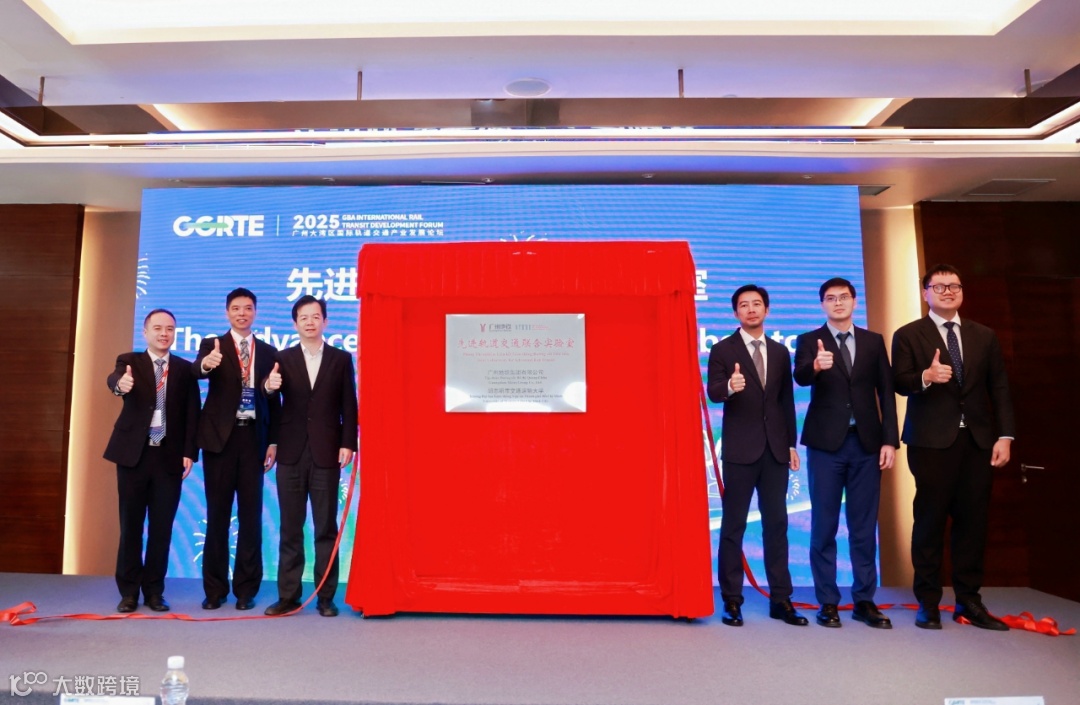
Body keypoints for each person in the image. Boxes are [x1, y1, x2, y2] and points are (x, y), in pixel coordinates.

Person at [892, 264, 1015, 631]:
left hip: (977, 441)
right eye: (939, 286)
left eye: (954, 286)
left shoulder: (984, 335)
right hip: (931, 442)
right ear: (925, 293)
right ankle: (928, 602)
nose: (947, 291)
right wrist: (926, 377)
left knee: (973, 522)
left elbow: (999, 387)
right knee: (929, 521)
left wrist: (1005, 436)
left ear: (962, 292)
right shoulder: (908, 334)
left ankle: (969, 601)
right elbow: (899, 381)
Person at [794, 278, 899, 629]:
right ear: (822, 304)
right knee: (823, 525)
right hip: (826, 446)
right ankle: (828, 602)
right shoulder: (809, 340)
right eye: (830, 298)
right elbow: (800, 377)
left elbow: (885, 392)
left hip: (866, 444)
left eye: (843, 297)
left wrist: (889, 441)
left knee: (863, 526)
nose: (837, 303)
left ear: (854, 301)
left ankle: (865, 600)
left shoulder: (873, 341)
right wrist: (816, 366)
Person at [707, 284, 807, 627]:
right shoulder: (722, 349)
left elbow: (785, 401)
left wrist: (791, 444)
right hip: (739, 451)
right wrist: (729, 388)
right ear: (735, 312)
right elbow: (714, 391)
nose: (751, 309)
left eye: (757, 304)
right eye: (744, 305)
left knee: (776, 525)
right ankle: (731, 600)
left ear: (767, 309)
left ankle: (781, 599)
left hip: (775, 451)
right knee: (733, 526)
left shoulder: (779, 351)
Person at [262, 296, 358, 618]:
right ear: (295, 323)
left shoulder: (341, 359)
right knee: (290, 527)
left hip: (326, 452)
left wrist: (348, 443)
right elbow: (269, 399)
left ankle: (325, 597)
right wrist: (269, 386)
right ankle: (288, 596)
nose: (310, 322)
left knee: (325, 527)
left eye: (316, 316)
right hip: (290, 452)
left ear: (325, 321)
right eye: (303, 317)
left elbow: (349, 405)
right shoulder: (282, 358)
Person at [104, 309, 199, 613]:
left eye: (169, 329)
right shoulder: (129, 362)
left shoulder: (184, 369)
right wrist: (120, 385)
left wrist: (189, 452)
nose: (163, 334)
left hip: (168, 457)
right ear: (145, 332)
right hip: (134, 455)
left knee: (162, 528)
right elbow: (115, 379)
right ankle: (129, 592)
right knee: (131, 526)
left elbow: (192, 413)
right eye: (157, 328)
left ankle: (155, 592)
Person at [194, 287, 278, 611]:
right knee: (217, 516)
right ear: (227, 312)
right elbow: (196, 371)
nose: (242, 313)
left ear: (255, 312)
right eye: (236, 308)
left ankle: (246, 590)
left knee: (251, 517)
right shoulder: (212, 345)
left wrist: (273, 441)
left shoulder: (268, 352)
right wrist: (206, 364)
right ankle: (214, 590)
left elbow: (275, 400)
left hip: (253, 440)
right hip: (220, 442)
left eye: (248, 308)